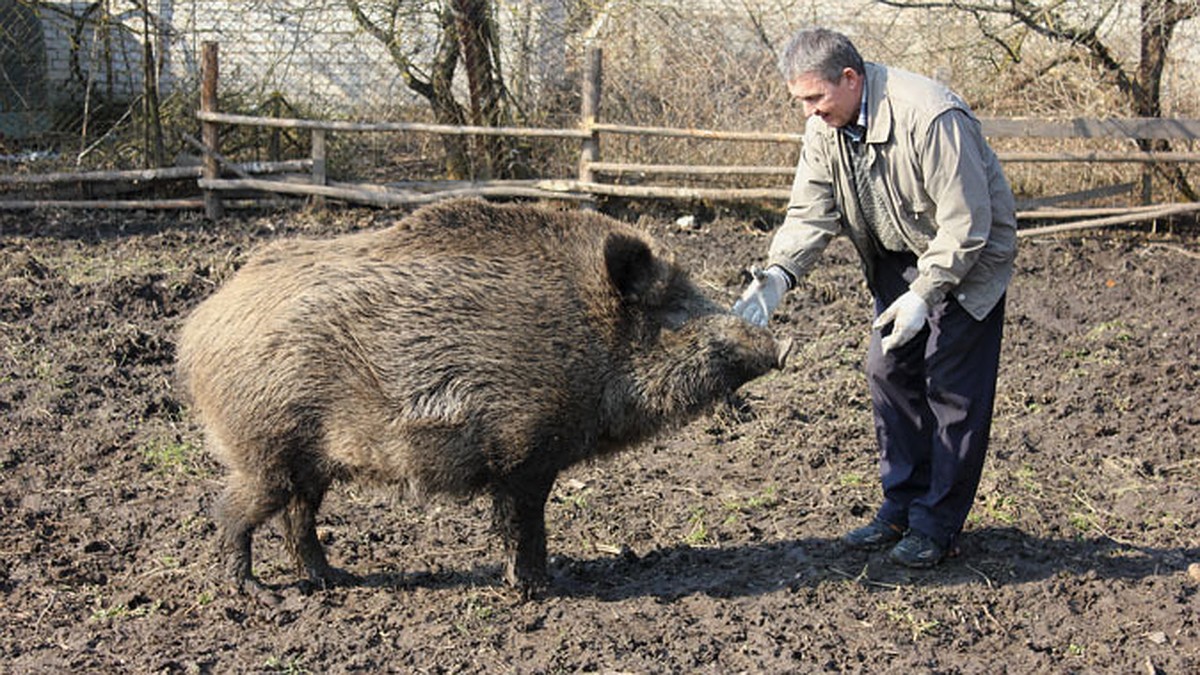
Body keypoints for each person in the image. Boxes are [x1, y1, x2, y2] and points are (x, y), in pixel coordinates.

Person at [734, 27, 1017, 568]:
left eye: (815, 98)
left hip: (966, 257)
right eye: (801, 102)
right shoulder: (827, 126)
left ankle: (937, 525)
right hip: (894, 253)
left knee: (950, 386)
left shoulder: (932, 116)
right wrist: (777, 277)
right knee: (887, 370)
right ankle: (901, 505)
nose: (809, 113)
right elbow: (810, 212)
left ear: (850, 78)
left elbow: (966, 224)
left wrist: (925, 295)